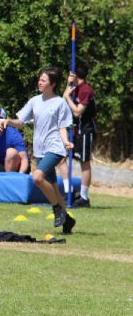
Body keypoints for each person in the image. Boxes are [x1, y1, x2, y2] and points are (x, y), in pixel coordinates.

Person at [0, 67, 76, 234]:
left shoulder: (60, 103)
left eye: (43, 80)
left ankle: (56, 209)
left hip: (55, 147)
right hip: (39, 150)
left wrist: (66, 142)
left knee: (37, 177)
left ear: (53, 84)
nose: (39, 82)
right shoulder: (35, 101)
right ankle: (68, 220)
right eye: (39, 79)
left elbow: (62, 127)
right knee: (53, 187)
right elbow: (21, 122)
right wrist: (8, 121)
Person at [59, 61, 96, 207]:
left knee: (84, 162)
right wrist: (68, 89)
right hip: (73, 130)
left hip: (85, 131)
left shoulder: (86, 90)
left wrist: (68, 97)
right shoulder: (73, 88)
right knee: (61, 158)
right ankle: (69, 191)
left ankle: (84, 197)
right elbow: (63, 102)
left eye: (70, 74)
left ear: (74, 75)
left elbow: (77, 111)